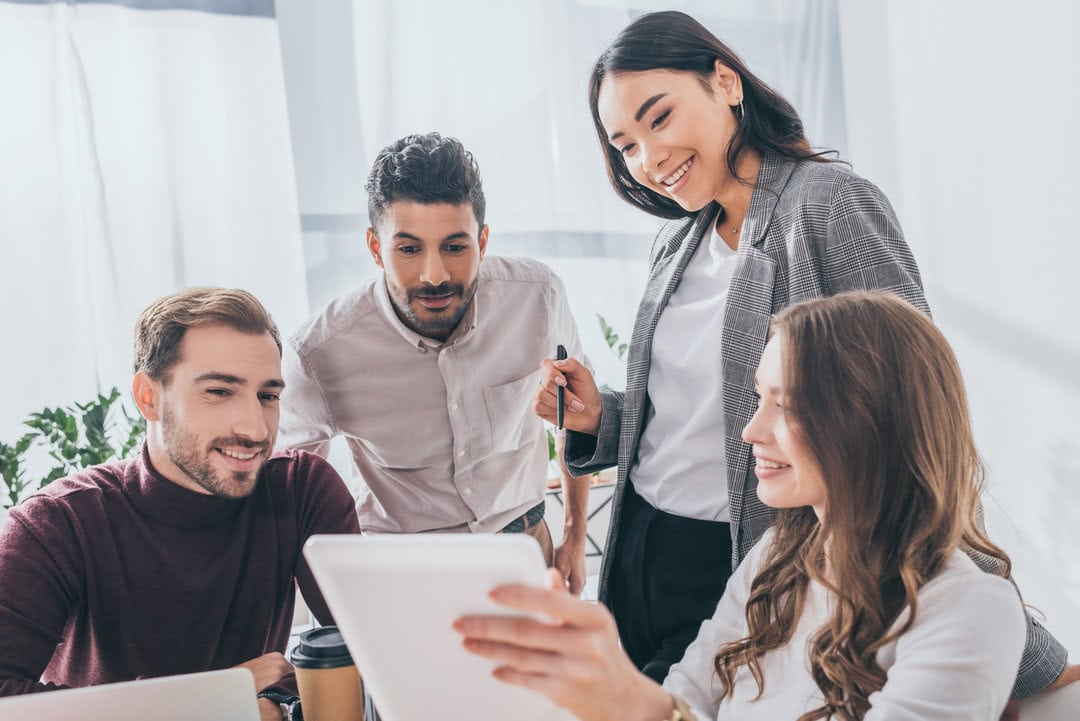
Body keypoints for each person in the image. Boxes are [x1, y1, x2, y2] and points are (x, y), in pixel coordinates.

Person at [533, 9, 1072, 700]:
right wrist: (599, 417)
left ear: (725, 82)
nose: (647, 159)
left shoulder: (828, 204)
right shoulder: (676, 243)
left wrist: (1007, 629)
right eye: (624, 145)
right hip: (639, 550)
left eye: (659, 119)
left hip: (734, 557)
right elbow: (685, 415)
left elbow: (911, 394)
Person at [459, 291, 1028, 721]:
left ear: (868, 423)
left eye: (787, 405)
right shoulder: (780, 554)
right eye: (760, 398)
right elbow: (690, 692)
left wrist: (635, 704)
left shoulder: (970, 609)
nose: (751, 430)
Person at [0, 288, 361, 721]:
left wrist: (278, 698)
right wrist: (215, 699)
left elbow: (368, 644)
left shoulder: (300, 487)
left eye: (267, 396)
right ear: (149, 398)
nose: (255, 429)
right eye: (219, 391)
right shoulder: (57, 522)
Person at [277, 132, 591, 589]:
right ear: (373, 248)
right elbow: (290, 488)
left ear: (482, 241)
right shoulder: (319, 352)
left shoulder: (539, 297)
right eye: (408, 249)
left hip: (529, 554)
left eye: (455, 246)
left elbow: (575, 416)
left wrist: (575, 533)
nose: (435, 275)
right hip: (403, 576)